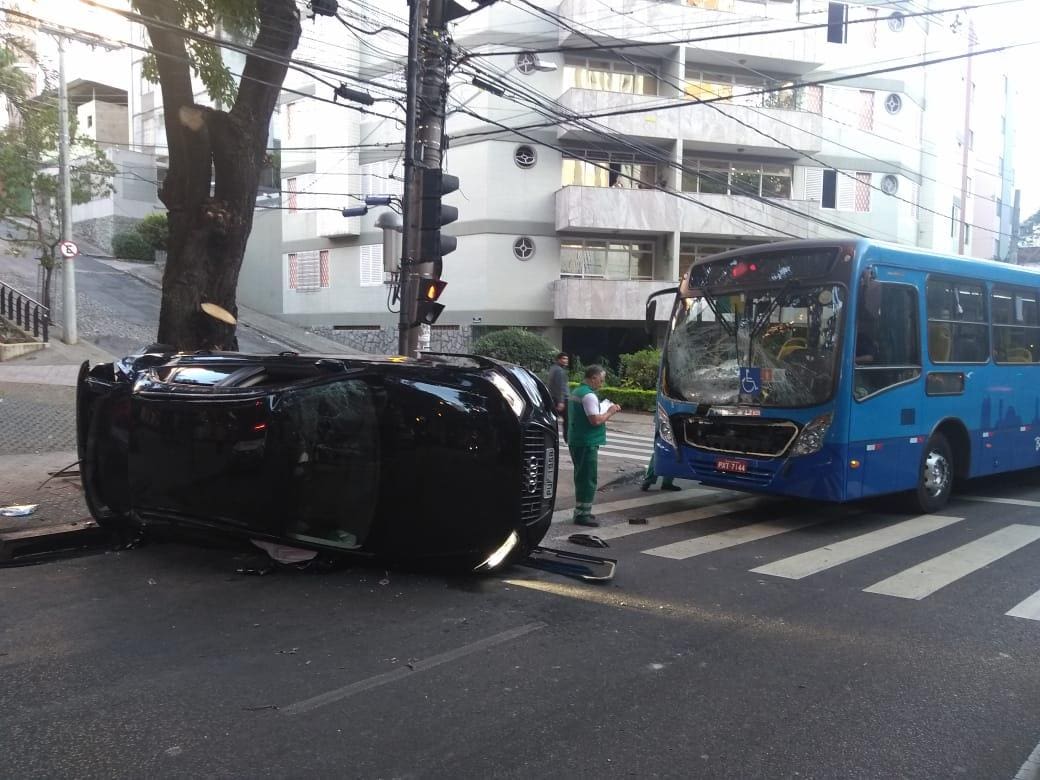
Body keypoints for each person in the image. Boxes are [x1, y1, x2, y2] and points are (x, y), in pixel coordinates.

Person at [568, 365, 621, 527]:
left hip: (577, 439)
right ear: (593, 378)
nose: (602, 384)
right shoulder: (589, 396)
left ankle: (583, 511)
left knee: (582, 476)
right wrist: (610, 411)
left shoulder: (577, 391)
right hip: (586, 442)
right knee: (587, 478)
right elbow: (595, 420)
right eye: (601, 380)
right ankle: (582, 515)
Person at [547, 352, 570, 444]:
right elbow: (559, 386)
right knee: (568, 420)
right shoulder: (559, 371)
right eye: (563, 359)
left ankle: (553, 438)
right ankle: (567, 439)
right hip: (562, 398)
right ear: (558, 360)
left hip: (555, 398)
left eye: (566, 359)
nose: (566, 361)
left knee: (553, 418)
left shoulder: (553, 369)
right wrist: (561, 401)